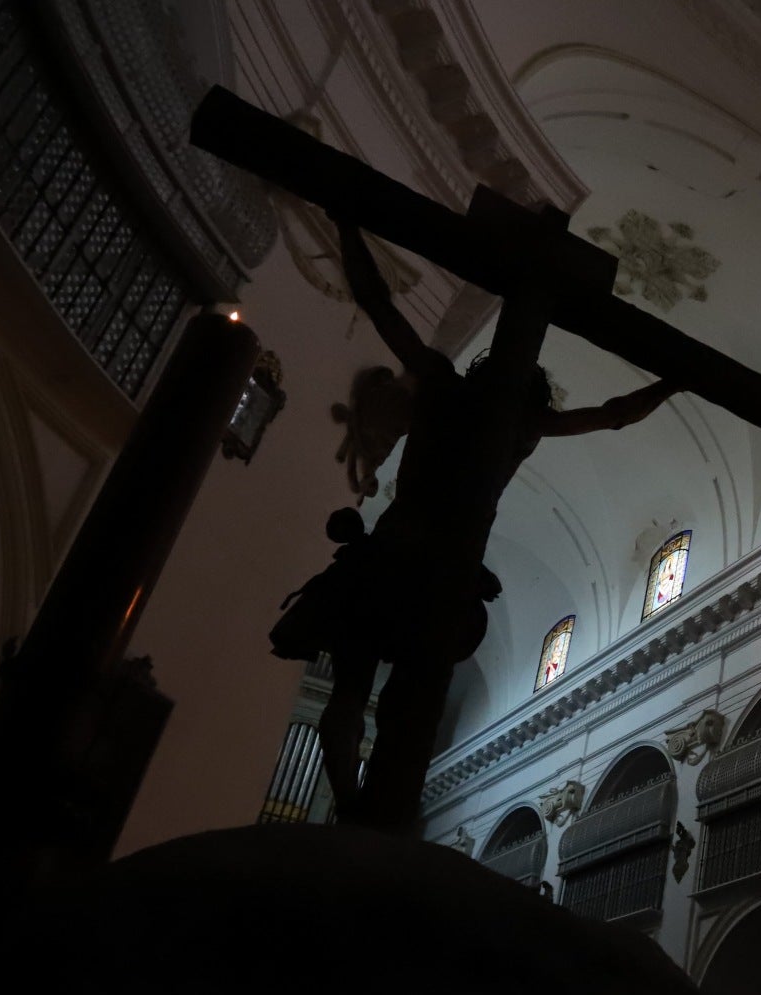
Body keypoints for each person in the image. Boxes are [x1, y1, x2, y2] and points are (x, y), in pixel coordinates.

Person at [273, 218, 678, 826]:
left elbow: (379, 304)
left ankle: (351, 801)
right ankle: (371, 810)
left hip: (387, 555)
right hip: (446, 574)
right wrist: (676, 382)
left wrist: (346, 221)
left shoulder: (440, 383)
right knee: (406, 705)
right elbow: (615, 415)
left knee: (350, 689)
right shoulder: (526, 425)